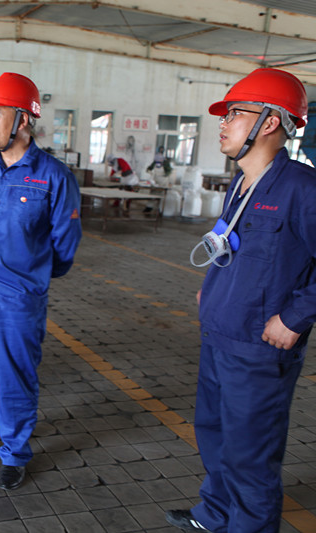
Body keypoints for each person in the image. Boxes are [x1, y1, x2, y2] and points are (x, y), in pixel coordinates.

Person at [167, 68, 316, 532]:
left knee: (250, 455)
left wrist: (295, 317)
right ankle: (215, 515)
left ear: (269, 122)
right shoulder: (241, 183)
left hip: (259, 348)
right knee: (215, 438)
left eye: (234, 113)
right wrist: (212, 287)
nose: (223, 123)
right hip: (220, 335)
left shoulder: (303, 188)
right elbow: (231, 245)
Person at [0, 73, 82, 490]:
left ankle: (14, 452)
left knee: (14, 379)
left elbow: (65, 241)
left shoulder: (54, 177)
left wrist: (33, 277)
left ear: (23, 119)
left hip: (18, 298)